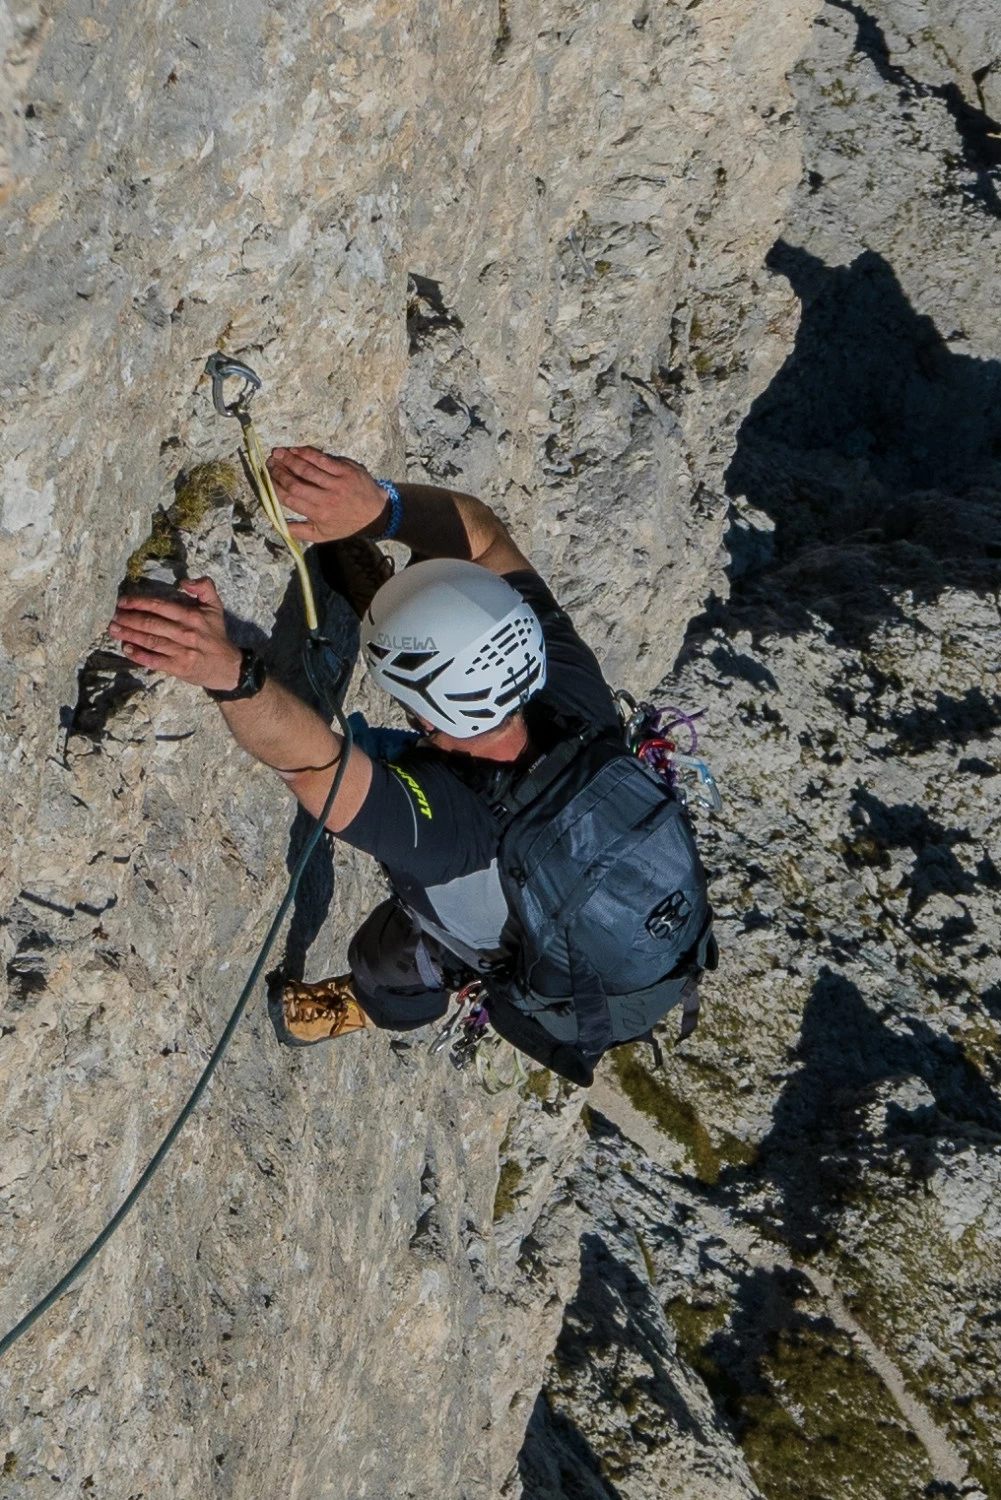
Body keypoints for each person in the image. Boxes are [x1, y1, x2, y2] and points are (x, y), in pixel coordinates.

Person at [108, 448, 623, 1059]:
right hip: (598, 874)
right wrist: (384, 508)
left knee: (397, 959)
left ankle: (362, 1006)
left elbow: (317, 768)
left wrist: (232, 674)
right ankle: (387, 599)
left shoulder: (453, 838)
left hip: (521, 920)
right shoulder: (572, 699)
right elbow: (483, 543)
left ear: (424, 713)